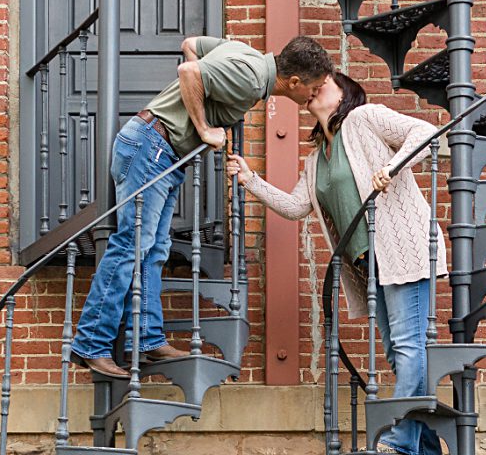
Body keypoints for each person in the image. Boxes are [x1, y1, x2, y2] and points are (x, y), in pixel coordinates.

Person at [69, 34, 333, 380]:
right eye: (313, 89)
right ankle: (90, 342)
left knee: (153, 250)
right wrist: (204, 127)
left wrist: (197, 110)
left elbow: (191, 43)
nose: (313, 96)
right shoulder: (251, 76)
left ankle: (147, 338)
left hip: (160, 152)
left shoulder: (246, 56)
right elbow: (190, 70)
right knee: (131, 247)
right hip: (152, 146)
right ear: (294, 81)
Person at [228, 69, 448, 455]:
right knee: (399, 355)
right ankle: (427, 449)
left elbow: (423, 133)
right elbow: (296, 207)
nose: (314, 90)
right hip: (370, 266)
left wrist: (392, 167)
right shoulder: (316, 160)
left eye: (324, 84)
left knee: (410, 348)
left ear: (344, 94)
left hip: (403, 250)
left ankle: (400, 442)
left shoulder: (364, 119)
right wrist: (250, 180)